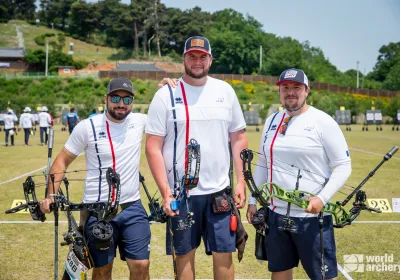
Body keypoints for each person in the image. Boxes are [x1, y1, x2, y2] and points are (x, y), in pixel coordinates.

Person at [145, 36, 248, 280]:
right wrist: (165, 192)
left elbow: (239, 138)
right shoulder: (165, 95)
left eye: (203, 56)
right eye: (192, 56)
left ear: (210, 60)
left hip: (219, 191)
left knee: (224, 254)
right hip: (182, 194)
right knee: (184, 256)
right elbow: (152, 147)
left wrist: (241, 181)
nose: (197, 61)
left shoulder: (225, 90)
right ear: (183, 59)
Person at [39, 77, 150, 280]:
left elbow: (169, 115)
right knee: (102, 269)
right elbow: (61, 161)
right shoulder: (87, 126)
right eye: (116, 97)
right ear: (106, 99)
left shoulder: (140, 120)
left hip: (132, 207)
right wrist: (51, 195)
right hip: (97, 210)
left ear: (132, 102)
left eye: (127, 99)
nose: (121, 104)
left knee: (141, 265)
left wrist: (169, 87)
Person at [246, 68, 352, 280]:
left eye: (296, 87)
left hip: (311, 217)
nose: (290, 92)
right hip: (275, 214)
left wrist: (322, 199)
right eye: (285, 87)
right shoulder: (272, 121)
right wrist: (252, 200)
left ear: (306, 91)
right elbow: (263, 164)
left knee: (321, 276)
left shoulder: (322, 121)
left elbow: (343, 165)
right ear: (279, 91)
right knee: (279, 272)